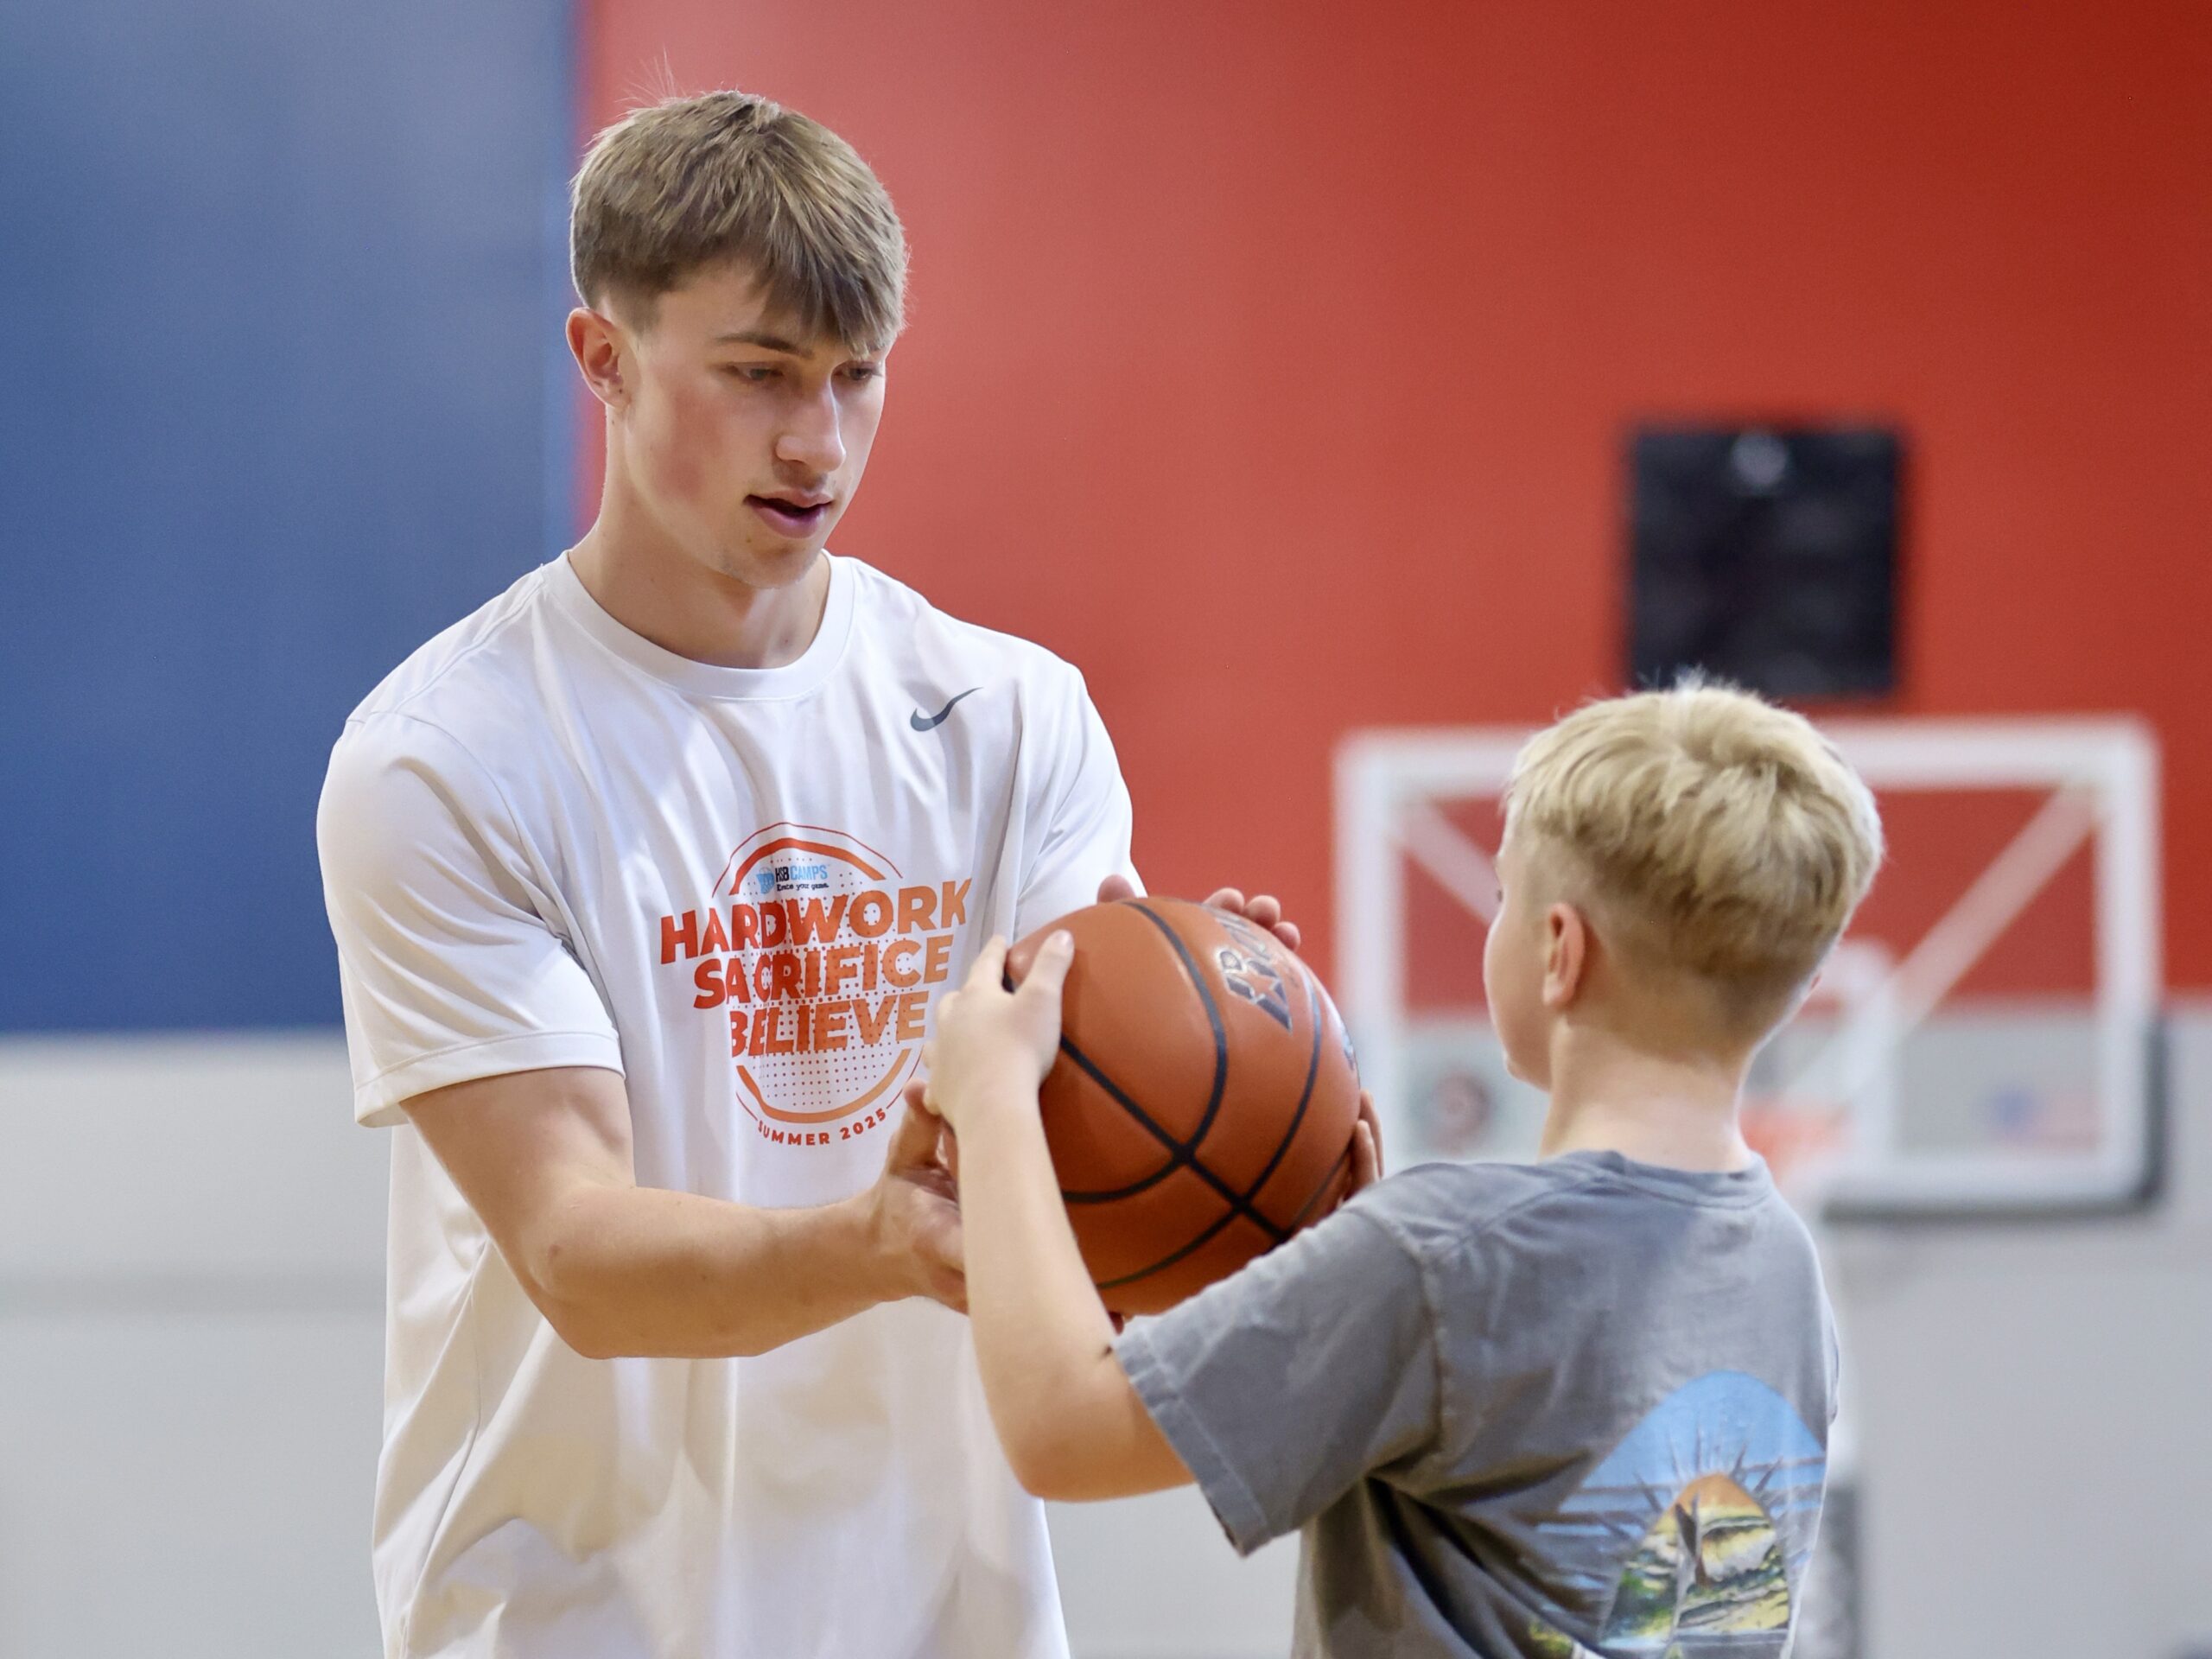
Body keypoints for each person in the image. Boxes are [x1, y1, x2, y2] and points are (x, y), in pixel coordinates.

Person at [315, 89, 1300, 1658]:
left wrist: (1220, 1066)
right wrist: (878, 1241)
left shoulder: (1010, 714)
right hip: (581, 1618)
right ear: (604, 359)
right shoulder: (444, 759)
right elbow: (578, 1253)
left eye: (857, 375)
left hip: (946, 1609)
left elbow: (1088, 1160)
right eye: (760, 373)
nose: (817, 442)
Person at [921, 680, 1885, 1658]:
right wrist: (1328, 1257)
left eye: (1506, 898)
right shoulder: (1785, 1274)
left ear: (1560, 951)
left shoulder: (1439, 1258)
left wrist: (995, 1098)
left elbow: (1066, 1433)